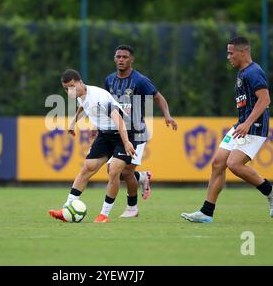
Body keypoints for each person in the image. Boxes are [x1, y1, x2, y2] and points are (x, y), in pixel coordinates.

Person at [181, 36, 273, 223]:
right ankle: (206, 212)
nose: (228, 56)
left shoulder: (254, 72)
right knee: (218, 162)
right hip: (241, 125)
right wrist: (242, 123)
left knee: (234, 164)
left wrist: (248, 123)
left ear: (243, 52)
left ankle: (270, 191)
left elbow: (265, 100)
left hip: (254, 127)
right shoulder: (242, 73)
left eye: (231, 52)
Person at [49, 69, 136, 223]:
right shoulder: (79, 94)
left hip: (125, 132)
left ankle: (104, 215)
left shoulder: (100, 97)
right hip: (105, 134)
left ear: (80, 82)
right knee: (87, 168)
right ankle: (66, 209)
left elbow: (118, 119)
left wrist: (127, 142)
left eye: (72, 86)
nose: (70, 90)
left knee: (114, 171)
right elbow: (83, 106)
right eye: (66, 88)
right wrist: (73, 121)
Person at [105, 45, 178, 218]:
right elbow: (106, 105)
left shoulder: (140, 81)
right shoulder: (109, 80)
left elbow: (158, 97)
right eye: (118, 56)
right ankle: (143, 177)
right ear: (115, 58)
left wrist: (167, 115)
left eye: (125, 57)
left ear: (132, 60)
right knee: (112, 172)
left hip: (137, 133)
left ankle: (132, 208)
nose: (121, 59)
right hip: (116, 133)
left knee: (127, 171)